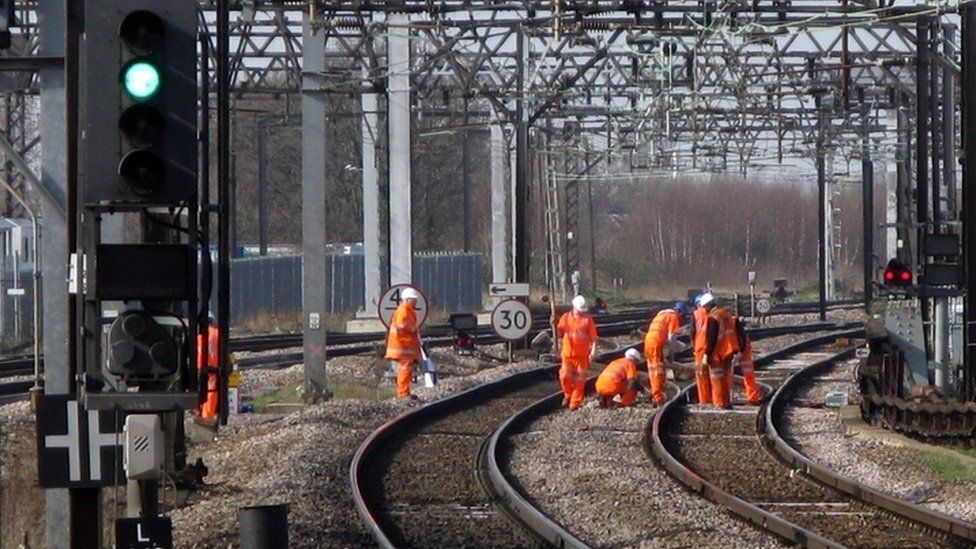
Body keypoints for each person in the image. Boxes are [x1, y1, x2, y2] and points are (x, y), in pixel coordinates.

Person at [556, 295, 598, 410]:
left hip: (582, 356)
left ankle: (574, 403)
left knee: (580, 380)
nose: (581, 312)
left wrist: (593, 350)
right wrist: (554, 325)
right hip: (567, 354)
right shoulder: (565, 318)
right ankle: (567, 395)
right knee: (564, 376)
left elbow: (594, 337)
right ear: (574, 307)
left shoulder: (587, 320)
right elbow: (558, 332)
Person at [643, 302, 689, 405]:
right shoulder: (673, 316)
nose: (682, 319)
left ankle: (658, 393)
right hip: (655, 343)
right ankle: (657, 398)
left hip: (648, 342)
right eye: (683, 315)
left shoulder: (662, 315)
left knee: (653, 370)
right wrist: (671, 353)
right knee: (657, 372)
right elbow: (671, 336)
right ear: (679, 311)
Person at [702, 294, 738, 409]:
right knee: (725, 379)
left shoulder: (713, 318)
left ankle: (719, 404)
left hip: (718, 354)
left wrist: (706, 354)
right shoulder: (725, 314)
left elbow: (711, 339)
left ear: (707, 306)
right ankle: (726, 403)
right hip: (729, 350)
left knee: (717, 380)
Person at [384, 288, 422, 399]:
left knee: (406, 369)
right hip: (402, 346)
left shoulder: (407, 310)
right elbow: (401, 325)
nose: (415, 302)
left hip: (405, 345)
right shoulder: (404, 310)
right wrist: (413, 329)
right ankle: (403, 393)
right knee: (404, 369)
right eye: (413, 299)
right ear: (407, 299)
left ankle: (405, 391)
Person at [733, 315, 762, 405]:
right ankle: (752, 397)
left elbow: (741, 337)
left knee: (748, 374)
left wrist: (739, 352)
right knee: (748, 374)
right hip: (737, 348)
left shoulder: (731, 321)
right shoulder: (729, 320)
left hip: (741, 349)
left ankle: (752, 397)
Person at [196, 314, 220, 420]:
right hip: (212, 368)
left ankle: (200, 412)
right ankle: (207, 417)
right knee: (210, 394)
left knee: (200, 391)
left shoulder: (196, 333)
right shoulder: (217, 333)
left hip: (197, 368)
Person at [691, 294, 711, 406]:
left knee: (701, 376)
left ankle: (704, 400)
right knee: (712, 376)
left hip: (699, 349)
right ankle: (714, 399)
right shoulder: (713, 313)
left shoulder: (696, 315)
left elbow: (692, 334)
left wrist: (694, 348)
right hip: (711, 348)